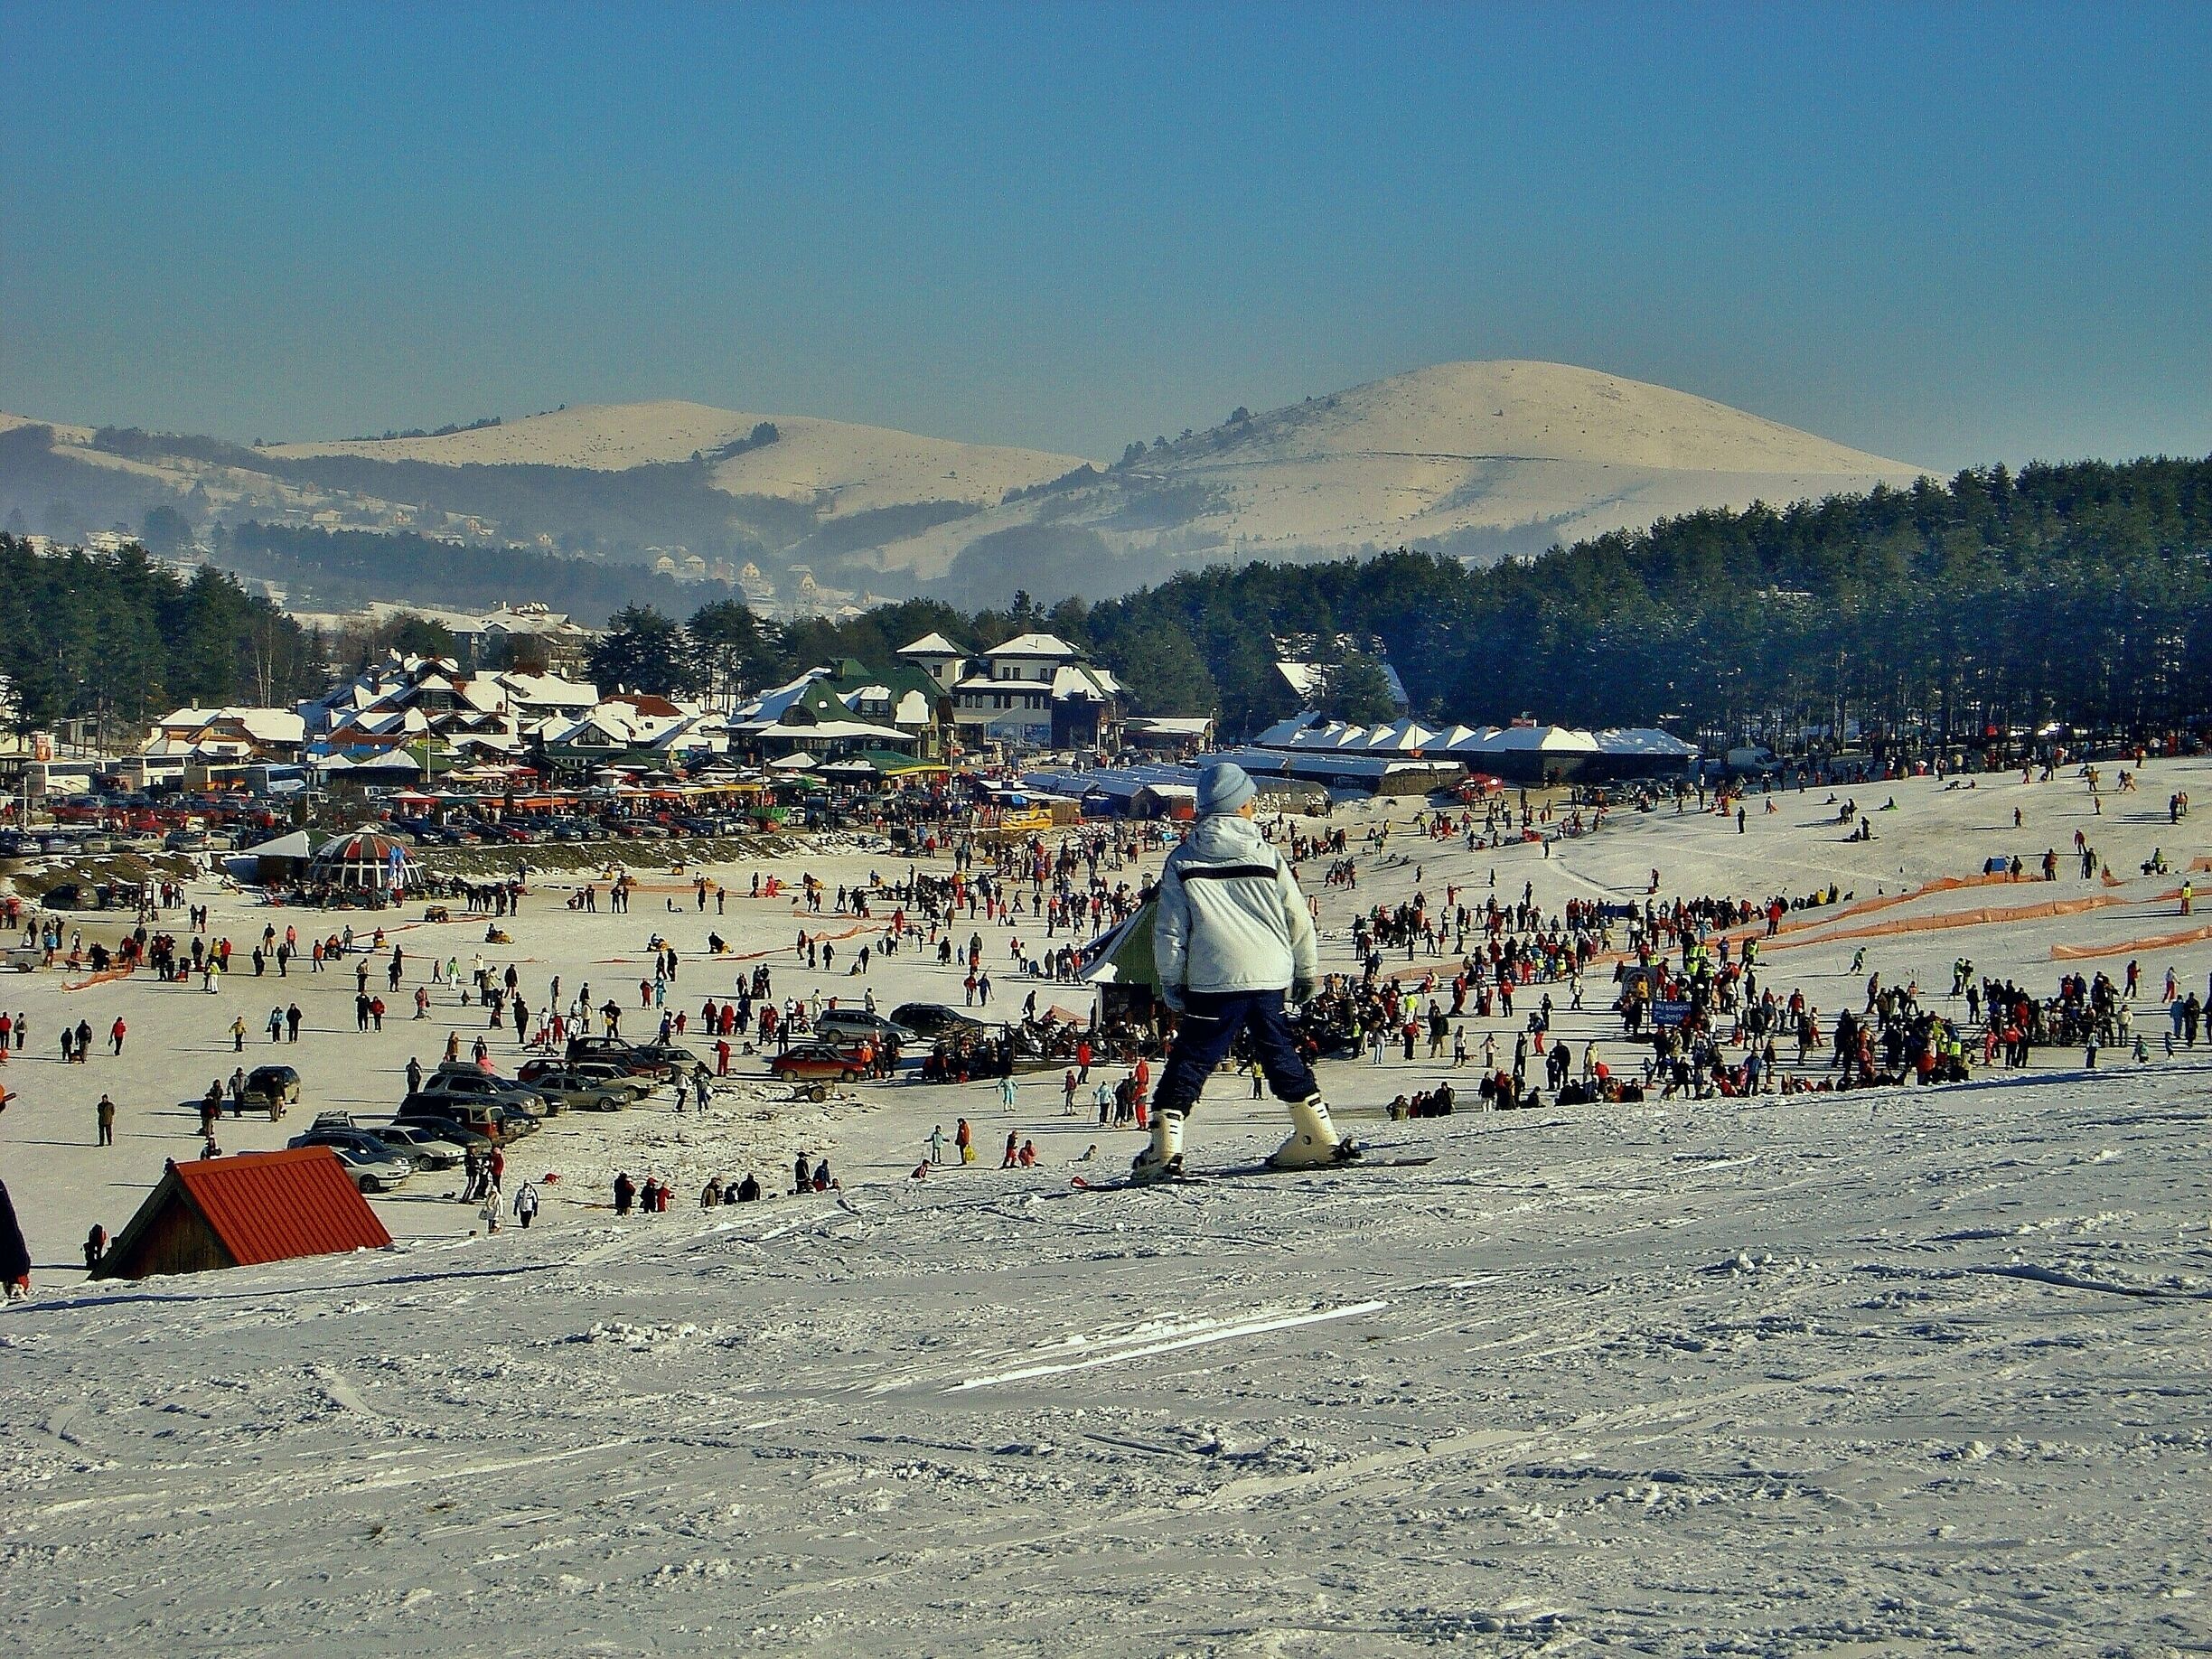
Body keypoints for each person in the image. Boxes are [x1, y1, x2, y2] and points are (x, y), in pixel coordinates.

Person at [1138, 763, 1358, 1181]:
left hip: (1213, 975)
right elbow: (1297, 917)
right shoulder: (1265, 854)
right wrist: (1306, 969)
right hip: (1269, 972)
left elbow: (1170, 929)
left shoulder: (1183, 859)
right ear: (1241, 806)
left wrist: (1172, 979)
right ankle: (1317, 1135)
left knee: (1194, 1058)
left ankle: (1165, 1150)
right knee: (1279, 1052)